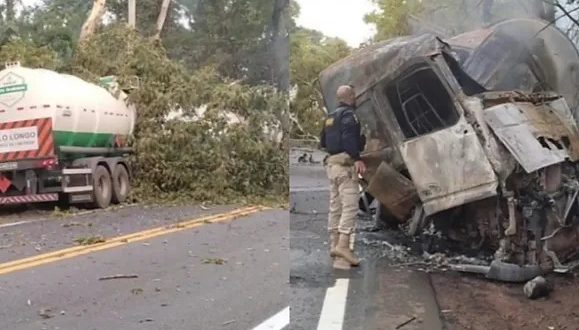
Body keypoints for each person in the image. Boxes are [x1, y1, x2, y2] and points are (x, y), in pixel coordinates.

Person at [320, 85, 366, 270]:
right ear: (351, 97)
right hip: (345, 166)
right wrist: (357, 158)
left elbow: (323, 141)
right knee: (350, 207)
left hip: (332, 166)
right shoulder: (349, 115)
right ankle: (343, 246)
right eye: (354, 95)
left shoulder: (330, 117)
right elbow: (348, 137)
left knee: (335, 206)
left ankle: (334, 244)